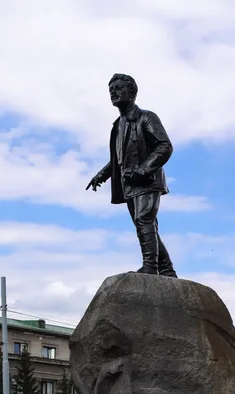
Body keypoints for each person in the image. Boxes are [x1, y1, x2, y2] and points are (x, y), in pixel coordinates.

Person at [86, 73, 177, 277]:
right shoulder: (118, 126)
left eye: (118, 88)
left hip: (147, 180)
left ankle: (151, 267)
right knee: (145, 225)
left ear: (133, 92)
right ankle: (168, 270)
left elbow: (164, 146)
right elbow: (118, 159)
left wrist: (143, 170)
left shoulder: (147, 117)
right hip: (129, 184)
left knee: (144, 221)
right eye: (111, 90)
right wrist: (101, 175)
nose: (113, 93)